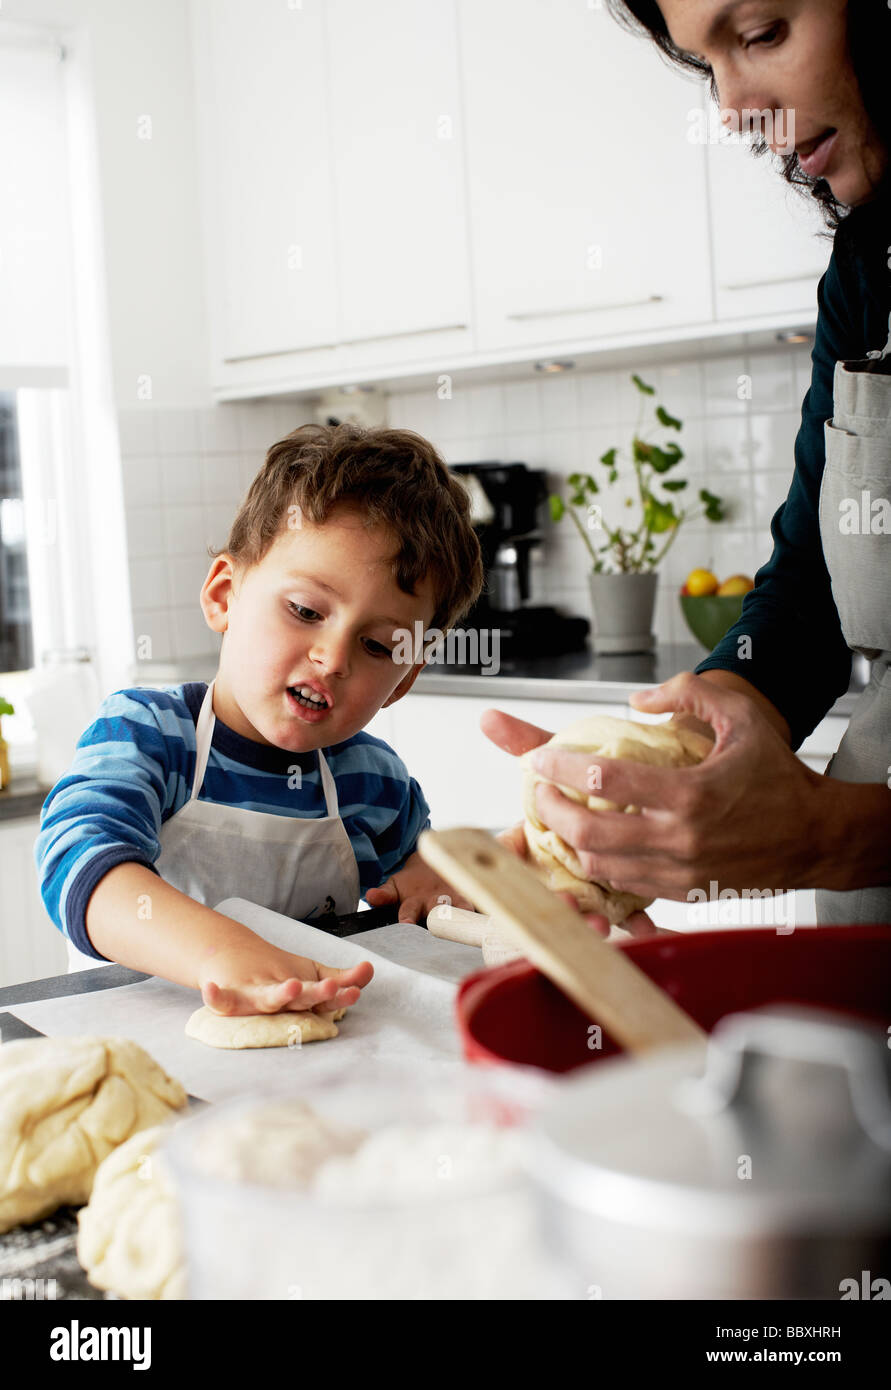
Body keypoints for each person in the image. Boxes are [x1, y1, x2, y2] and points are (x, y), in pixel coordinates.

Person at [483, 0, 891, 930]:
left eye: (759, 35)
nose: (734, 107)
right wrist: (652, 761)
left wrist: (832, 837)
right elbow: (813, 591)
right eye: (704, 63)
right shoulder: (868, 271)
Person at [34, 424, 481, 1018]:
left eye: (377, 646)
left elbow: (421, 871)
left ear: (404, 678)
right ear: (224, 596)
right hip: (131, 1051)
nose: (333, 657)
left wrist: (434, 876)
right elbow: (76, 865)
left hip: (306, 1070)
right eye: (304, 610)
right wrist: (222, 951)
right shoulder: (149, 735)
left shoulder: (376, 781)